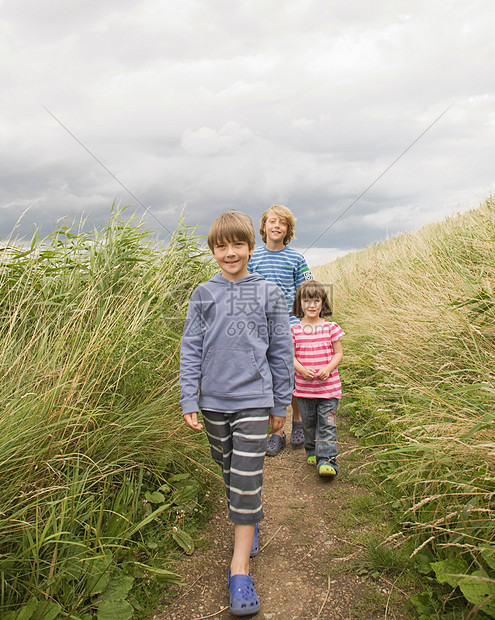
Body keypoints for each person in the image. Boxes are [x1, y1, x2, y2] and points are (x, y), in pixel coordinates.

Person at [180, 210, 294, 616]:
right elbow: (191, 348)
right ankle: (252, 518)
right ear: (213, 250)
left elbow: (282, 351)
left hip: (254, 400)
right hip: (213, 401)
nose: (230, 253)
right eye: (221, 246)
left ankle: (239, 568)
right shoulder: (202, 294)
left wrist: (281, 403)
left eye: (238, 244)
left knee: (246, 478)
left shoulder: (268, 293)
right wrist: (188, 397)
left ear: (251, 246)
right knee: (229, 471)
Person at [247, 204, 313, 456]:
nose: (277, 226)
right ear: (263, 227)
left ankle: (297, 422)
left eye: (282, 223)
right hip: (264, 327)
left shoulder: (296, 258)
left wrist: (305, 320)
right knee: (270, 377)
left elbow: (306, 290)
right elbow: (248, 291)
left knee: (293, 377)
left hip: (292, 325)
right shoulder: (255, 258)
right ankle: (277, 432)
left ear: (288, 230)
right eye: (272, 222)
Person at [291, 280, 344, 477]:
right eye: (306, 301)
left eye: (316, 300)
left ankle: (328, 460)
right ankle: (312, 450)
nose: (311, 305)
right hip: (305, 390)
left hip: (328, 389)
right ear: (300, 304)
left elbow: (338, 354)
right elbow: (291, 356)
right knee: (309, 423)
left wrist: (329, 368)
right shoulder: (294, 330)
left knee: (327, 424)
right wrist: (302, 370)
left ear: (323, 303)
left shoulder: (331, 328)